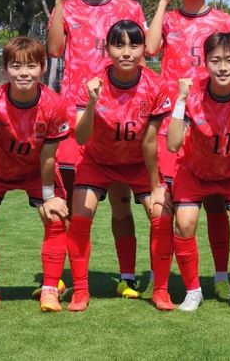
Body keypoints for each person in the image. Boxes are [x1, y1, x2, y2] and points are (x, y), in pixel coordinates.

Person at [47, 0, 148, 300]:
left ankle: (127, 277)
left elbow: (142, 54)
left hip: (118, 115)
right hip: (76, 114)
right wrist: (58, 2)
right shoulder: (69, 8)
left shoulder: (130, 8)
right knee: (73, 204)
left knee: (121, 201)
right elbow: (55, 49)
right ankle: (60, 277)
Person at [145, 0, 230, 301]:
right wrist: (161, 3)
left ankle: (221, 276)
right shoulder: (170, 19)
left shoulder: (222, 20)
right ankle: (159, 281)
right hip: (174, 123)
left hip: (214, 122)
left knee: (218, 204)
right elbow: (149, 47)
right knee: (164, 209)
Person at [0, 37, 69, 313]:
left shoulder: (54, 105)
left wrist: (48, 197)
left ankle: (51, 290)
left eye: (31, 65)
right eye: (16, 66)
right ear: (5, 69)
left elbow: (48, 156)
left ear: (42, 68)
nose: (24, 72)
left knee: (54, 216)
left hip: (36, 170)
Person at [65, 20, 174, 312]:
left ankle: (161, 290)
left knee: (161, 215)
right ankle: (81, 291)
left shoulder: (155, 85)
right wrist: (90, 103)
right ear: (107, 48)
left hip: (138, 162)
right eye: (119, 45)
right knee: (80, 215)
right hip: (98, 161)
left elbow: (150, 142)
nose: (126, 52)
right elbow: (81, 136)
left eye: (134, 45)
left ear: (143, 50)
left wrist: (155, 187)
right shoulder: (92, 81)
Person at [167, 32, 230, 311]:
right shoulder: (193, 93)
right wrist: (181, 100)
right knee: (184, 223)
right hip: (195, 171)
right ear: (205, 62)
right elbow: (172, 143)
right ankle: (193, 291)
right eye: (215, 60)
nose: (223, 67)